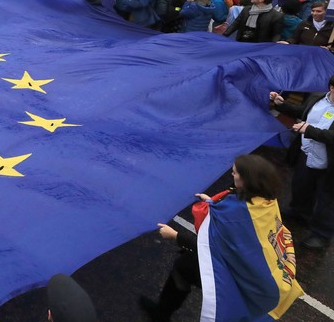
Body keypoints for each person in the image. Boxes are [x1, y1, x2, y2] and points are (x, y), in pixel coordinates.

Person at [140, 154, 295, 320]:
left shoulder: (236, 216)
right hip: (265, 279)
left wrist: (175, 236)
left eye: (235, 173)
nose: (232, 175)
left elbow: (211, 249)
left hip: (241, 280)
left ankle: (161, 314)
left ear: (246, 180)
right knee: (187, 261)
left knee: (183, 266)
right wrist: (213, 203)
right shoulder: (267, 201)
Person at [270, 82, 334, 249]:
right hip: (307, 153)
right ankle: (300, 212)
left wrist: (309, 130)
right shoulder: (317, 97)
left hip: (329, 161)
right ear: (332, 88)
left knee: (327, 198)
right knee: (301, 184)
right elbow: (302, 112)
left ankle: (322, 233)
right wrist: (282, 105)